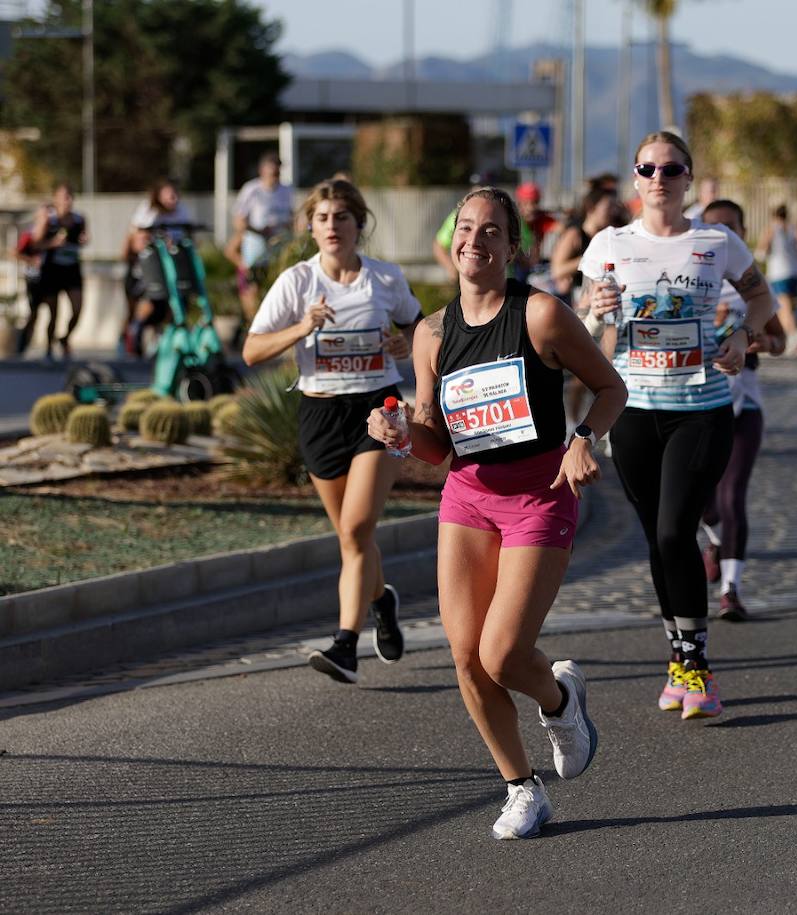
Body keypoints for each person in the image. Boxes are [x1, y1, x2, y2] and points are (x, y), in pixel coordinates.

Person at [367, 187, 627, 840]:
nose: (474, 241)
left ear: (513, 248)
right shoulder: (431, 334)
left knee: (504, 652)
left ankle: (561, 701)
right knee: (466, 657)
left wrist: (582, 441)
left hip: (541, 493)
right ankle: (522, 787)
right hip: (469, 497)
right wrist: (400, 433)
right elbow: (436, 442)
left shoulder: (540, 316)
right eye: (465, 229)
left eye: (490, 232)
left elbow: (609, 388)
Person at [579, 131, 775, 719]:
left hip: (704, 407)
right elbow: (586, 327)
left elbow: (762, 300)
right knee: (658, 541)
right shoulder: (608, 244)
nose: (659, 179)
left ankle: (697, 665)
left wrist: (742, 334)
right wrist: (597, 312)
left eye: (671, 169)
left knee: (674, 532)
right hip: (633, 410)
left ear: (689, 178)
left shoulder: (717, 241)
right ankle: (678, 662)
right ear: (635, 179)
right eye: (648, 168)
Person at [242, 178, 421, 685]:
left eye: (341, 216)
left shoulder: (384, 279)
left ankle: (345, 645)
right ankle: (381, 601)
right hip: (319, 413)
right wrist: (302, 327)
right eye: (322, 218)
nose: (332, 226)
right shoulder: (297, 282)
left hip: (378, 408)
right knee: (351, 538)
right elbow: (252, 351)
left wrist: (407, 345)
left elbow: (420, 327)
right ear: (310, 227)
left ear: (358, 223)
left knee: (357, 529)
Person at [698, 199, 787, 620]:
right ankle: (714, 539)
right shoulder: (688, 280)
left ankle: (731, 589)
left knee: (733, 497)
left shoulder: (752, 288)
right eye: (714, 227)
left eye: (731, 228)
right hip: (694, 404)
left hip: (743, 405)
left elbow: (780, 341)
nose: (722, 236)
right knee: (701, 500)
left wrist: (760, 342)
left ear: (743, 233)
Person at [551, 186, 623, 434]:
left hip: (608, 309)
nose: (613, 210)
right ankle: (572, 421)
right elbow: (557, 269)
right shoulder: (576, 234)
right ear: (592, 207)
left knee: (608, 366)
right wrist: (588, 260)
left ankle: (606, 422)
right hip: (577, 309)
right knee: (582, 373)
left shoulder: (612, 238)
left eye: (615, 206)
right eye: (608, 206)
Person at [122, 179, 194, 357]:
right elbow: (136, 239)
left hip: (173, 265)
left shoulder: (182, 211)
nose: (173, 198)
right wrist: (156, 242)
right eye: (168, 194)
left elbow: (188, 236)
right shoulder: (148, 211)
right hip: (149, 266)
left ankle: (163, 337)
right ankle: (132, 332)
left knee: (179, 301)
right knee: (152, 300)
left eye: (175, 194)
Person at [226, 152, 294, 332]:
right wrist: (259, 231)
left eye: (278, 171)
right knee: (252, 296)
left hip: (277, 253)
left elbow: (290, 218)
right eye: (272, 171)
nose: (275, 176)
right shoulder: (252, 190)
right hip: (255, 253)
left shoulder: (286, 190)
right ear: (262, 170)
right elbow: (238, 221)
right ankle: (250, 333)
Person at [28, 183, 88, 362]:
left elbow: (83, 238)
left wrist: (84, 240)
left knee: (77, 309)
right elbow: (35, 244)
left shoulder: (79, 219)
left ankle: (65, 338)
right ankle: (48, 347)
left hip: (71, 268)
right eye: (63, 197)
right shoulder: (48, 218)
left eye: (69, 197)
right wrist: (53, 242)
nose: (66, 201)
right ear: (55, 198)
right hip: (52, 270)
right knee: (54, 312)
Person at [754, 204, 797, 339]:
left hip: (779, 273)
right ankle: (787, 337)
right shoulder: (793, 228)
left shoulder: (771, 229)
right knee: (788, 307)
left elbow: (760, 253)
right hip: (795, 271)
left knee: (784, 308)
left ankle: (793, 337)